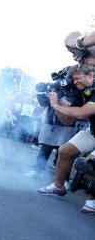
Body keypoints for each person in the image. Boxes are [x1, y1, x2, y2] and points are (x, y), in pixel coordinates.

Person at [38, 64, 95, 215]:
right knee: (65, 151)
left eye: (78, 78)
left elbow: (82, 113)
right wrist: (58, 101)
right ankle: (59, 186)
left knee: (90, 163)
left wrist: (56, 104)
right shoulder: (82, 93)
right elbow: (68, 121)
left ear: (91, 75)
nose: (75, 82)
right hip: (93, 131)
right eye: (73, 79)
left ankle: (92, 201)